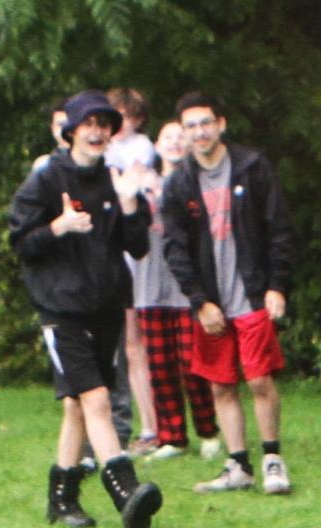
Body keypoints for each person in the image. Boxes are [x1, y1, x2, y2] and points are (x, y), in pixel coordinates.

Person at [10, 90, 163, 528]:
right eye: (88, 123)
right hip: (61, 310)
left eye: (104, 124)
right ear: (71, 130)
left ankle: (62, 498)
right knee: (97, 399)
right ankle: (125, 490)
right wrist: (58, 227)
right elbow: (20, 242)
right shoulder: (45, 178)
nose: (97, 131)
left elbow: (137, 246)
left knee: (78, 407)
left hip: (107, 306)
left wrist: (132, 203)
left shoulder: (117, 181)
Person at [161, 92, 293, 494]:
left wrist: (277, 286)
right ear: (183, 133)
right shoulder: (180, 182)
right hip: (211, 301)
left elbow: (279, 230)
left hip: (251, 294)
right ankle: (238, 466)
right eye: (191, 126)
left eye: (206, 123)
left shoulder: (252, 168)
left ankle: (272, 460)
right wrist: (199, 302)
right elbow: (175, 248)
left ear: (221, 124)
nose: (199, 132)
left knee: (258, 380)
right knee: (220, 384)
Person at [133, 121, 221, 461]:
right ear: (156, 145)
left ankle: (208, 431)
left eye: (179, 136)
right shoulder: (140, 186)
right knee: (159, 366)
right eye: (167, 137)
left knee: (192, 364)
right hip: (147, 287)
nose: (174, 142)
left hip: (186, 291)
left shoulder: (193, 184)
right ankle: (172, 436)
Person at [106, 87, 159, 456]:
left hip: (136, 252)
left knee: (136, 342)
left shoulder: (141, 147)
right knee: (123, 345)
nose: (120, 123)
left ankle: (151, 424)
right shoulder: (103, 147)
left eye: (127, 115)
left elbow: (130, 183)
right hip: (109, 252)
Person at [31, 100, 71, 172]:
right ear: (52, 128)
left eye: (69, 124)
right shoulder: (44, 165)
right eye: (60, 125)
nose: (65, 129)